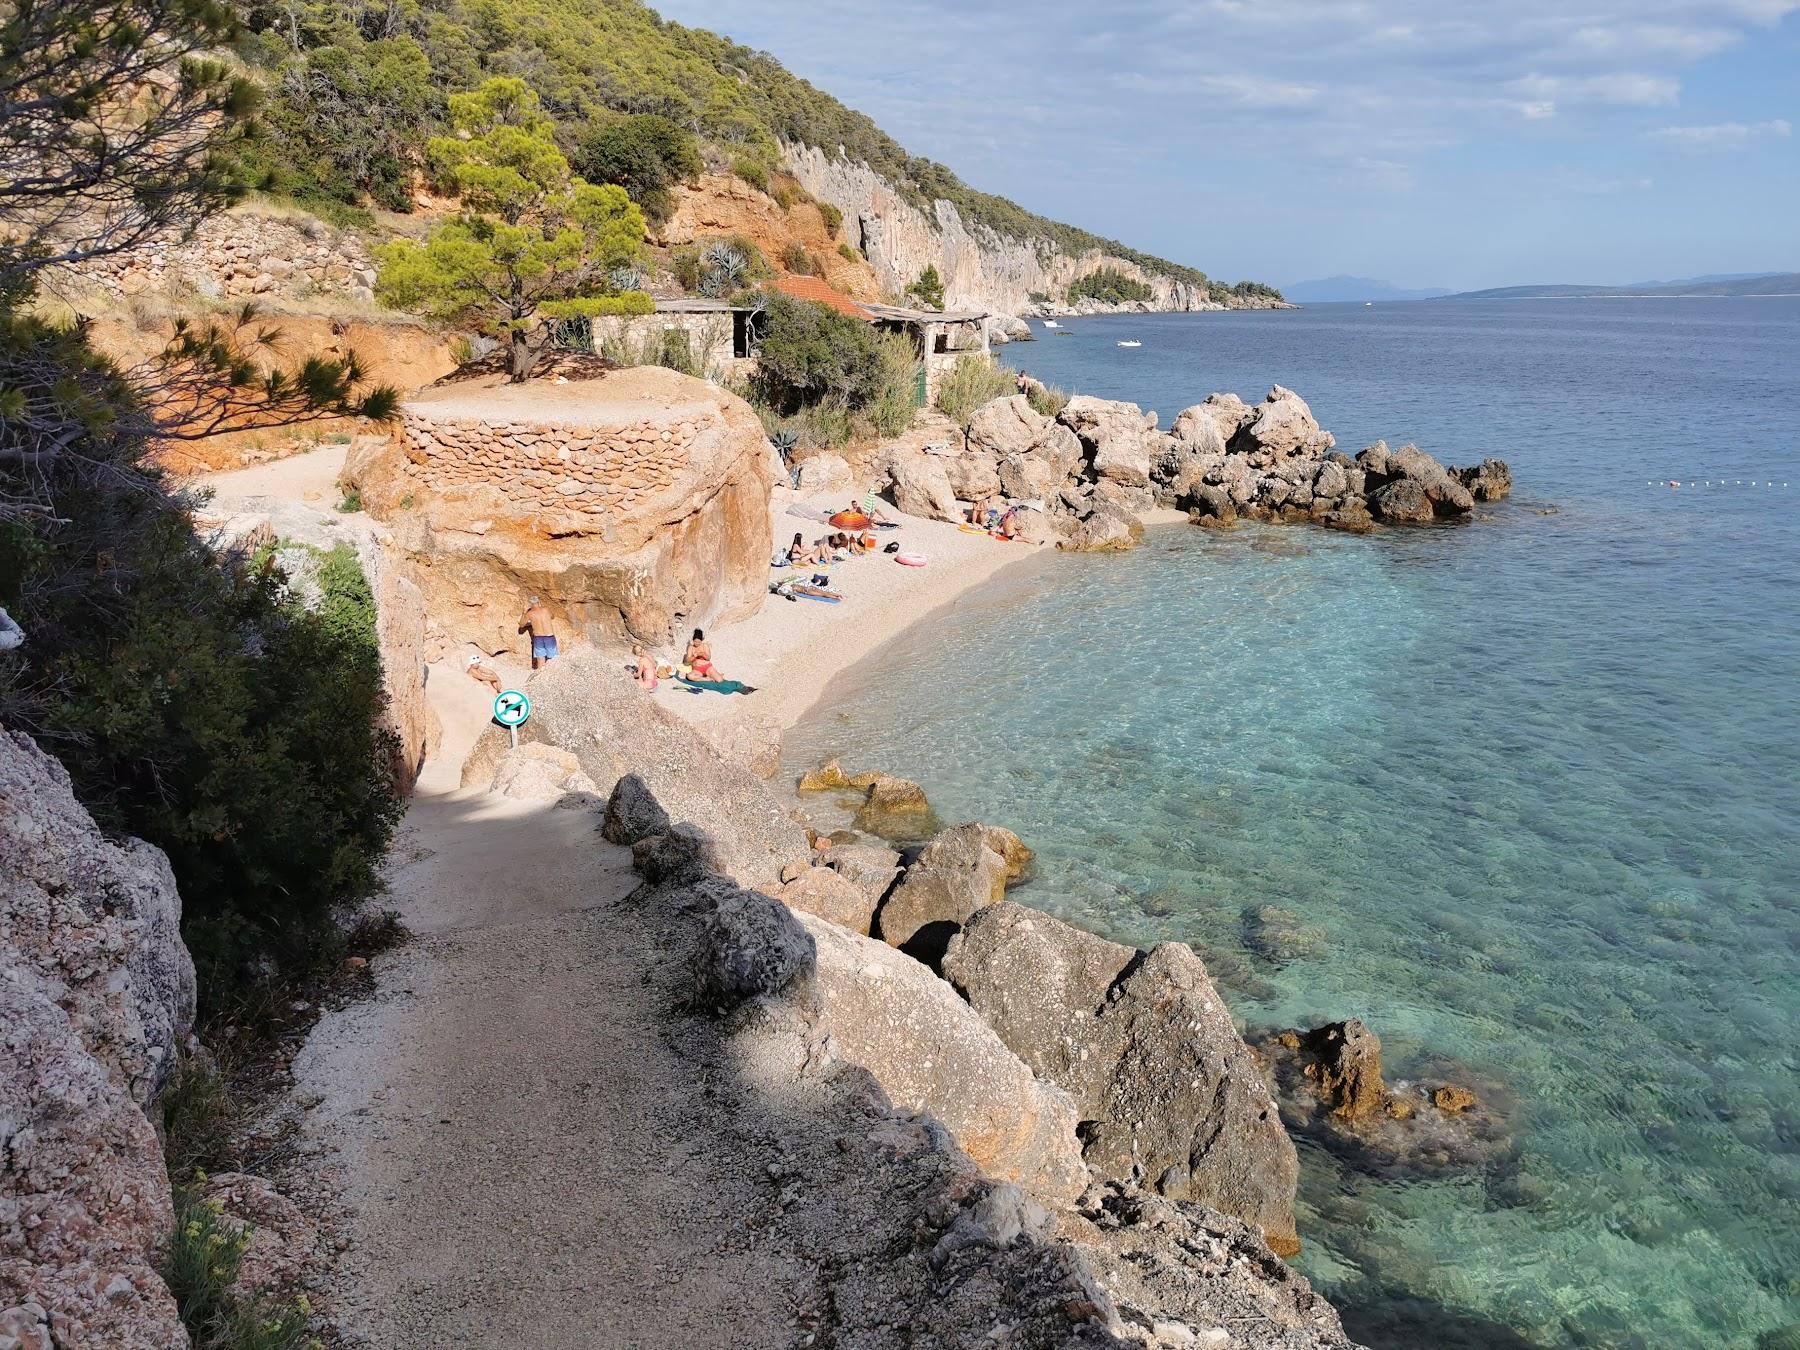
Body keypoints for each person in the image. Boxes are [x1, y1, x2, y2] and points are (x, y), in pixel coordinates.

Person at [519, 596, 558, 669]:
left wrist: (524, 613)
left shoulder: (529, 614)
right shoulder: (546, 610)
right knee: (553, 659)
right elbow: (553, 616)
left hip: (538, 638)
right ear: (539, 602)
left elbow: (521, 624)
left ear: (530, 604)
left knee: (540, 661)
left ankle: (540, 679)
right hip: (549, 637)